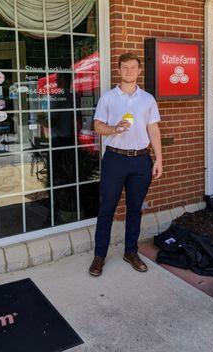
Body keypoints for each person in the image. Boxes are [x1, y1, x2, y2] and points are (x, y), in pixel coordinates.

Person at [89, 53, 162, 276]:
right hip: (115, 159)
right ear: (118, 71)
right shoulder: (109, 98)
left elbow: (153, 129)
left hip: (141, 160)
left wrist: (159, 158)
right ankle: (99, 256)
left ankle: (130, 251)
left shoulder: (147, 99)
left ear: (139, 71)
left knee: (134, 210)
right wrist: (114, 129)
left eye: (133, 68)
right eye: (125, 68)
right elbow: (97, 126)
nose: (129, 71)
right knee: (107, 209)